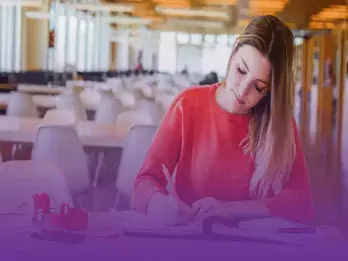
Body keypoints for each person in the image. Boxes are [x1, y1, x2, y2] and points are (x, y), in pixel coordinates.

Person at [131, 15, 315, 226]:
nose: (242, 90)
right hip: (190, 245)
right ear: (234, 50)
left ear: (270, 91)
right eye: (241, 70)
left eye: (258, 87)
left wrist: (233, 210)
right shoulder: (187, 104)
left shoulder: (280, 124)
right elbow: (144, 183)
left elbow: (302, 205)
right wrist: (158, 205)